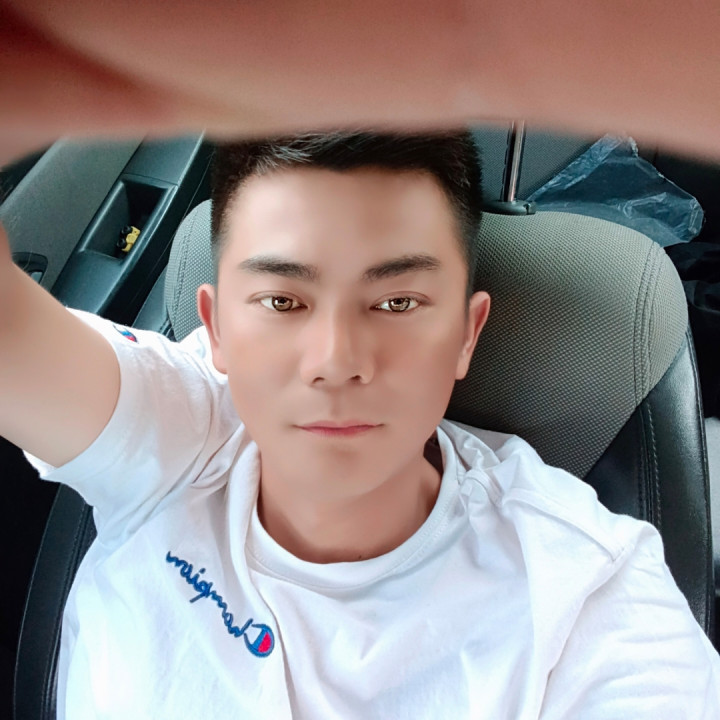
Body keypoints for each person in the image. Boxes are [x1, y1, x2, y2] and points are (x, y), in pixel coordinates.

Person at [2, 128, 720, 718]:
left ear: (466, 335)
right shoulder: (175, 427)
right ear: (216, 330)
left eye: (397, 303)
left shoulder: (586, 596)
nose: (337, 362)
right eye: (282, 302)